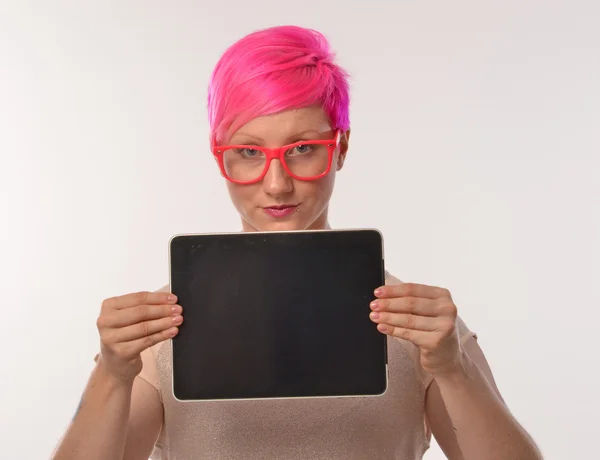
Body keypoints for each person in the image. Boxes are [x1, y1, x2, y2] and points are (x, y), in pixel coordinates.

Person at [51, 25, 542, 460]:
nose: (277, 185)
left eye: (303, 149)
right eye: (248, 152)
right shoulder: (164, 327)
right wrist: (113, 374)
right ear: (220, 157)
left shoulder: (419, 325)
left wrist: (452, 370)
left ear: (341, 147)